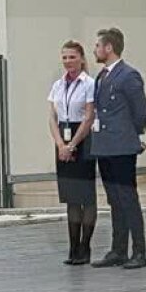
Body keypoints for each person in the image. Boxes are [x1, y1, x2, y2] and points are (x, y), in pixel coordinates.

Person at [90, 27, 146, 270]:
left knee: (128, 198)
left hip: (121, 146)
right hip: (104, 145)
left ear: (109, 48)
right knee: (114, 199)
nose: (94, 50)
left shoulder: (128, 75)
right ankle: (118, 249)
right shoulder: (102, 76)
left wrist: (132, 135)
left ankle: (139, 251)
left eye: (97, 46)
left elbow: (142, 112)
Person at [47, 40, 97, 265]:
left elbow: (89, 117)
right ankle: (73, 247)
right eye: (65, 57)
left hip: (82, 138)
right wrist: (60, 144)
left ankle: (85, 246)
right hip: (63, 137)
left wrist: (73, 145)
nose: (68, 61)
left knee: (85, 196)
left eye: (73, 57)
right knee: (70, 198)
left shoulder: (89, 84)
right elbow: (52, 117)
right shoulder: (58, 85)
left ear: (82, 59)